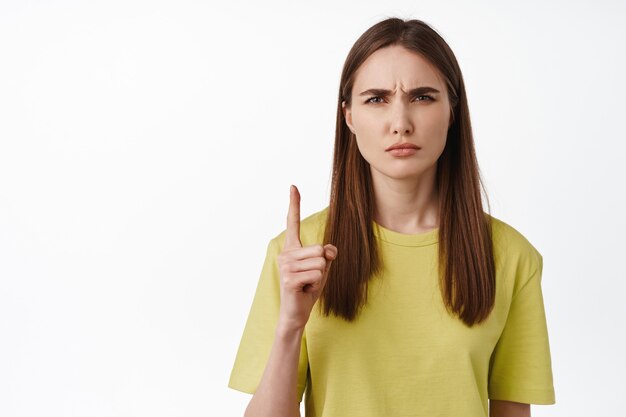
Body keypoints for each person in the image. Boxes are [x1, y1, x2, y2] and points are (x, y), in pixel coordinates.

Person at [228, 17, 555, 417]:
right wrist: (290, 326)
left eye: (422, 97)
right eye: (376, 99)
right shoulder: (299, 255)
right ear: (348, 116)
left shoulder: (511, 257)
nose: (400, 123)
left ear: (452, 111)